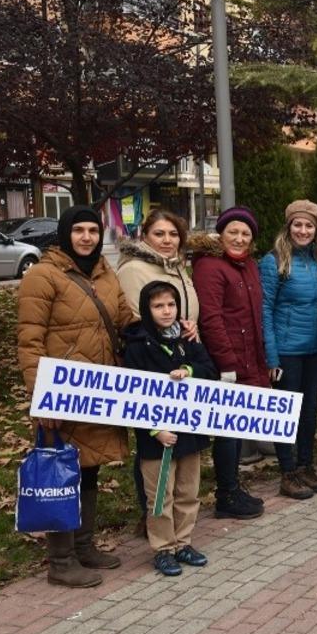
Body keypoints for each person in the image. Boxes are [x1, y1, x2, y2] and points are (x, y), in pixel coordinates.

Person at [18, 206, 137, 587]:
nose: (86, 237)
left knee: (88, 470)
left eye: (92, 230)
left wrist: (164, 327)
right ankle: (61, 559)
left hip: (98, 392)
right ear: (65, 233)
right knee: (61, 474)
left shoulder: (105, 274)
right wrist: (41, 398)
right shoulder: (42, 276)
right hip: (63, 394)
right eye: (79, 230)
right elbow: (30, 341)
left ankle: (84, 545)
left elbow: (124, 320)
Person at [123, 282, 217, 576]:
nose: (166, 311)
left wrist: (189, 371)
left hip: (189, 431)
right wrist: (154, 430)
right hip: (157, 439)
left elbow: (209, 371)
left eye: (171, 305)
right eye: (158, 306)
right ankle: (163, 548)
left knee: (188, 491)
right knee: (160, 496)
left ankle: (183, 542)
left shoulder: (187, 339)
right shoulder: (137, 347)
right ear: (146, 310)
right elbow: (131, 395)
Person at [115, 209, 198, 535]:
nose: (167, 240)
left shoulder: (177, 266)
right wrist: (171, 333)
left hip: (182, 356)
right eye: (160, 234)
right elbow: (136, 319)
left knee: (183, 449)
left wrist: (187, 330)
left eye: (173, 234)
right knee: (154, 446)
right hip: (153, 360)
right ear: (145, 236)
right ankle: (151, 519)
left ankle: (179, 529)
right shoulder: (135, 269)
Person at [192, 206, 269, 519]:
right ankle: (226, 493)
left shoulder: (248, 265)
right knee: (226, 430)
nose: (239, 239)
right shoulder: (210, 266)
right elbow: (211, 318)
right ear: (221, 233)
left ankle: (233, 487)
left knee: (236, 427)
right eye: (233, 232)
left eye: (245, 234)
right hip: (226, 363)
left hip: (248, 358)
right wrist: (227, 364)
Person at [259, 200, 317, 500]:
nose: (303, 230)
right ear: (288, 227)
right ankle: (287, 472)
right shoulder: (273, 261)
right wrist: (271, 356)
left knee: (309, 411)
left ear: (316, 230)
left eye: (309, 225)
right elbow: (265, 310)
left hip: (314, 349)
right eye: (297, 225)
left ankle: (305, 465)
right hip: (287, 350)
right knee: (285, 413)